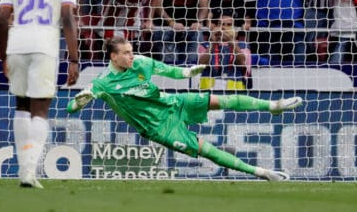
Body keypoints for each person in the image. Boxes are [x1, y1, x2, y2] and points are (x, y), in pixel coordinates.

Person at [67, 35, 300, 181]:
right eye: (126, 53)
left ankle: (273, 106)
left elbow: (170, 71)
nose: (131, 55)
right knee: (206, 150)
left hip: (171, 103)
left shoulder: (141, 62)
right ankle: (263, 173)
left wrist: (188, 72)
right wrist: (77, 102)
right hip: (159, 127)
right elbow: (70, 108)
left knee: (219, 100)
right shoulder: (102, 83)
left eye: (131, 50)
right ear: (113, 57)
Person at [0, 0, 79, 188]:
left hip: (18, 45)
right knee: (40, 111)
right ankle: (30, 172)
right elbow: (67, 18)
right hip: (44, 46)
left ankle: (23, 170)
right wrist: (73, 58)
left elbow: (1, 19)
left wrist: (3, 55)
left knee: (21, 106)